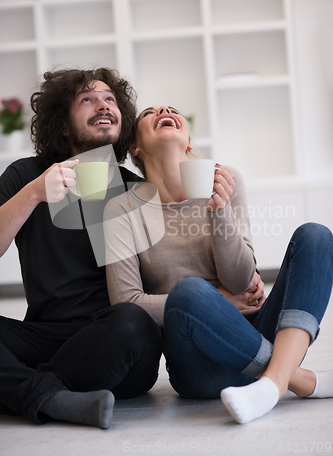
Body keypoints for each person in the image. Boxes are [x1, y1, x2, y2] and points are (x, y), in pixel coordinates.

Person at [104, 104, 333, 424]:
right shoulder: (120, 210)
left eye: (171, 109)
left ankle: (273, 384)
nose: (163, 110)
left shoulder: (225, 179)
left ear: (189, 142)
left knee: (316, 236)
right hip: (197, 364)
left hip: (260, 333)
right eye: (149, 113)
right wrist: (220, 301)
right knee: (189, 292)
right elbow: (126, 302)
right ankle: (297, 379)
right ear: (135, 148)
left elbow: (241, 280)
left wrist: (218, 212)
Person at [0, 69, 163, 430]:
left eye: (110, 100)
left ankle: (22, 389)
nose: (103, 105)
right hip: (46, 339)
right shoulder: (27, 175)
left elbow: (163, 278)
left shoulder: (136, 189)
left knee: (134, 322)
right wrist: (33, 194)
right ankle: (54, 398)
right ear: (62, 124)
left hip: (116, 340)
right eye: (87, 99)